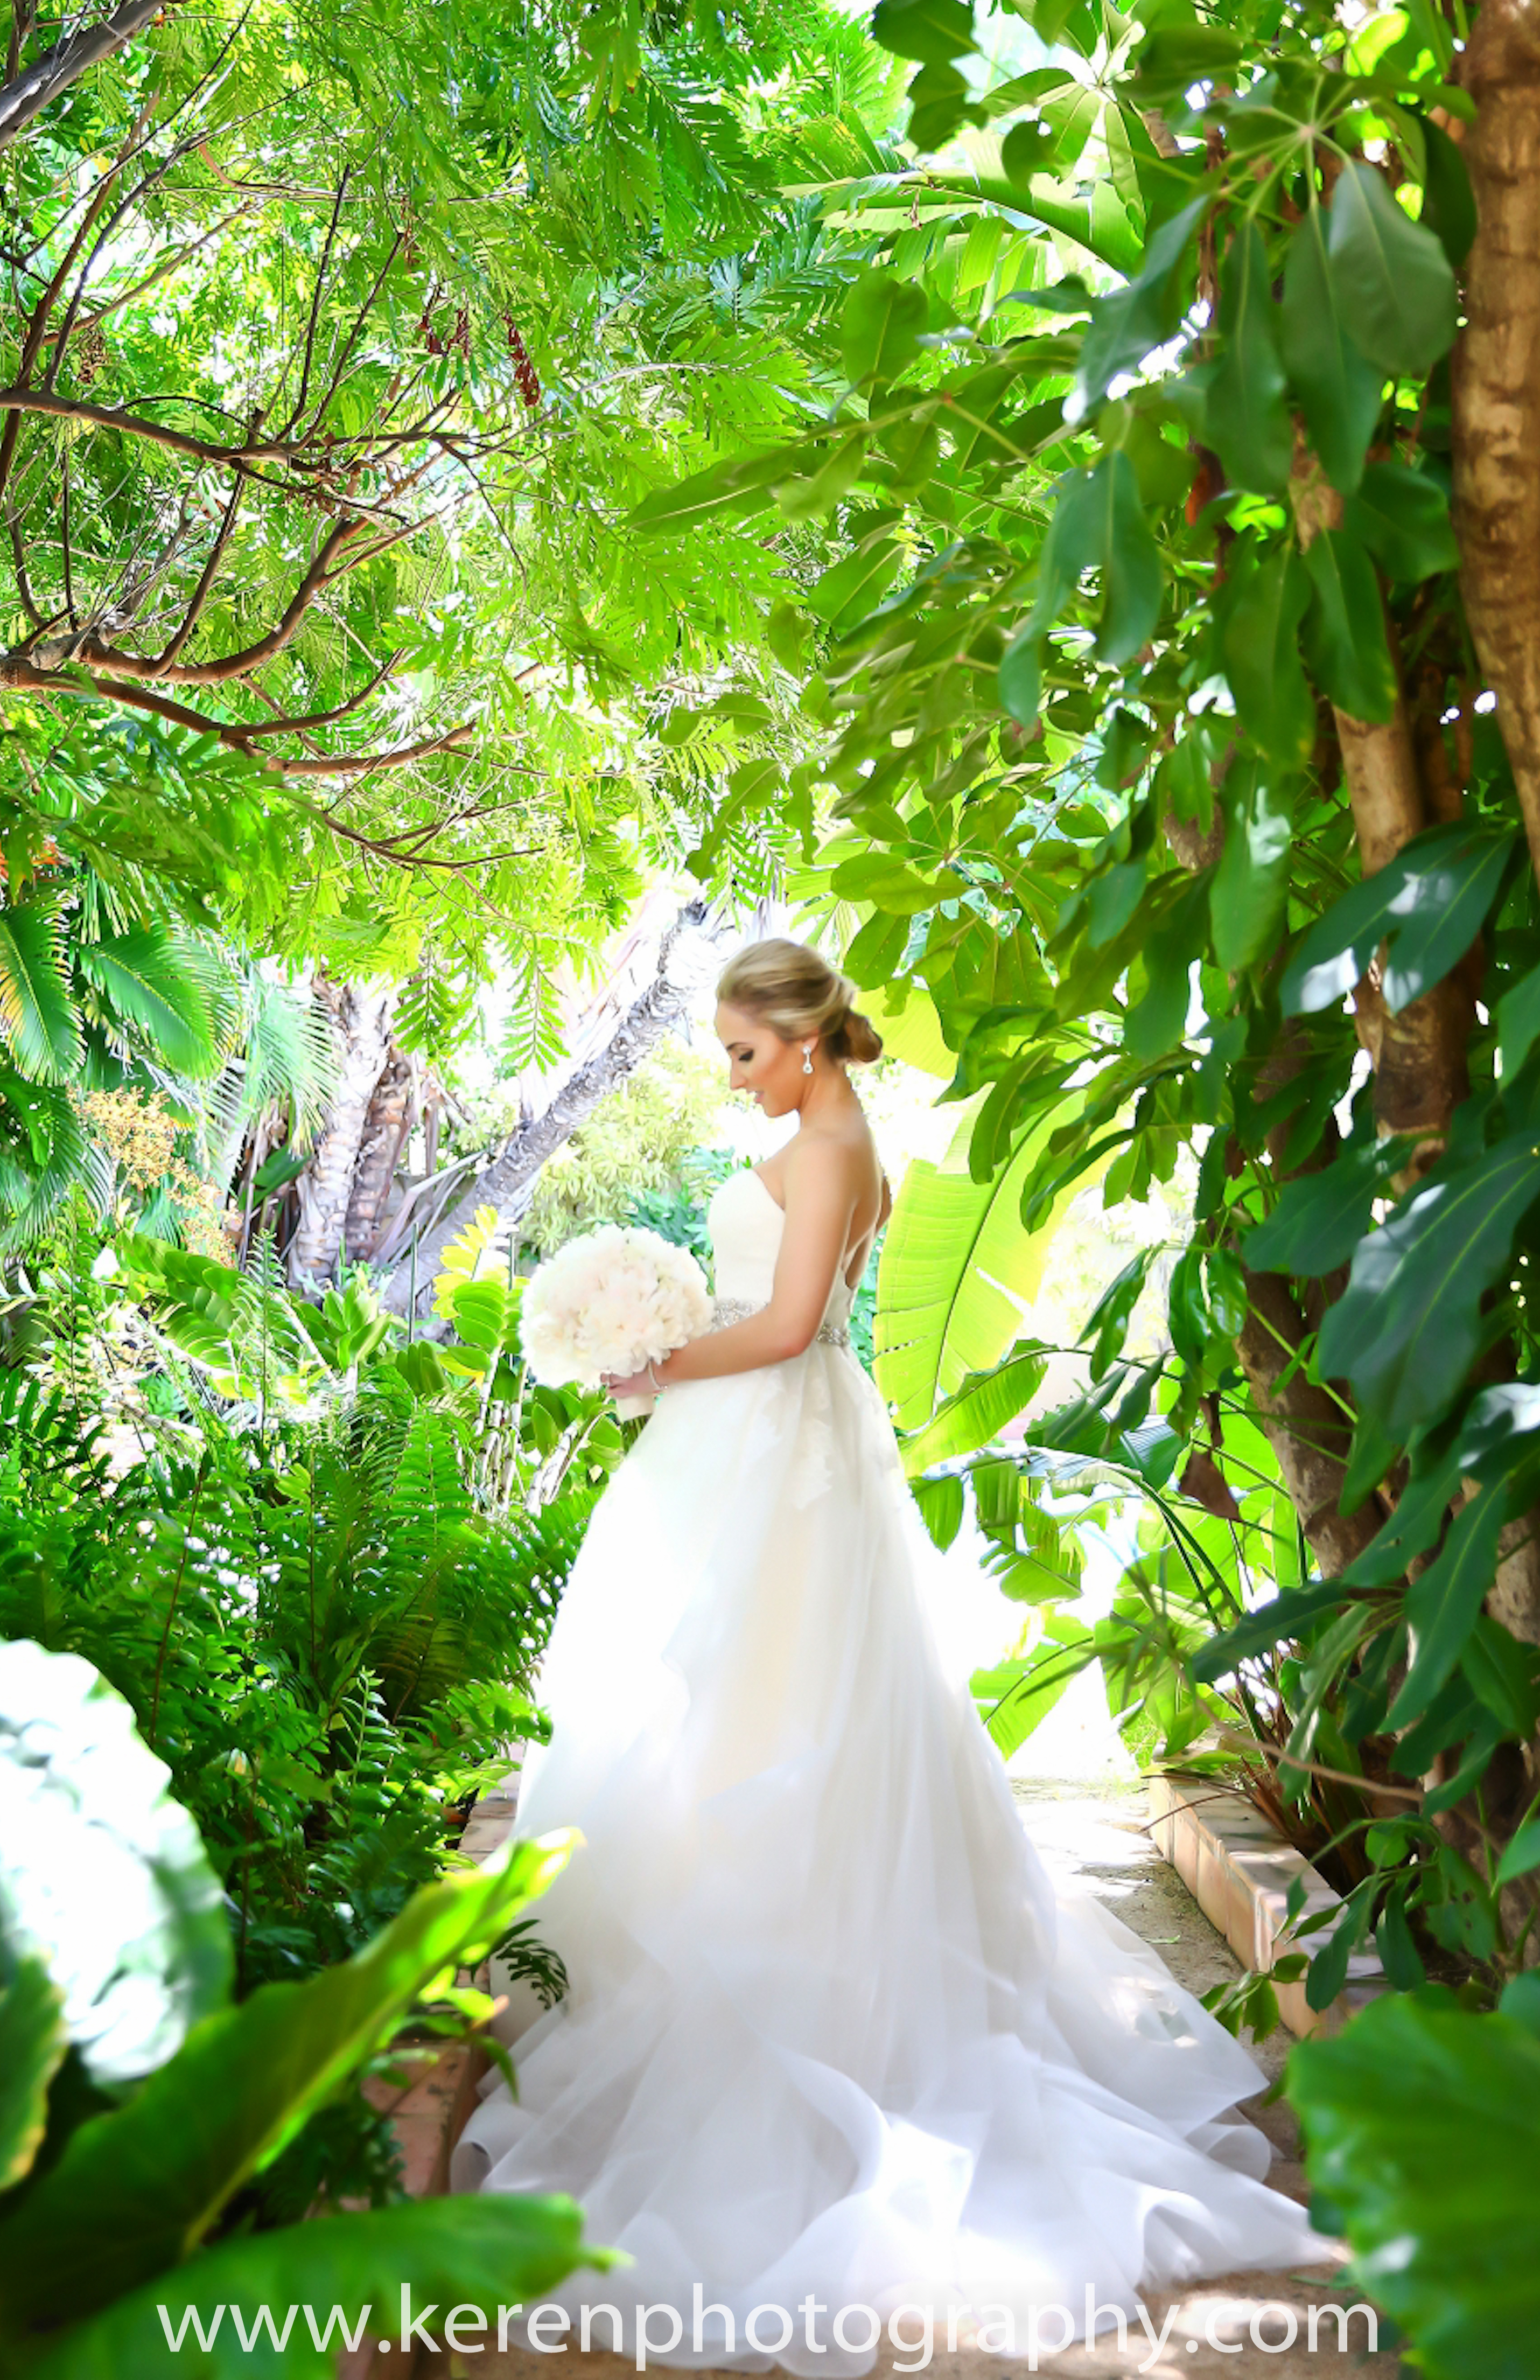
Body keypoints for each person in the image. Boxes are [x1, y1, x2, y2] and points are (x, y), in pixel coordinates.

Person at [453, 939, 1337, 2373]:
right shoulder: (826, 1134)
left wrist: (649, 1362)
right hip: (766, 1452)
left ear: (804, 1043)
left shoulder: (828, 1149)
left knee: (767, 1719)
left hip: (773, 1459)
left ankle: (788, 2008)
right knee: (731, 1718)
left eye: (745, 1051)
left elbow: (792, 1327)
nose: (730, 1074)